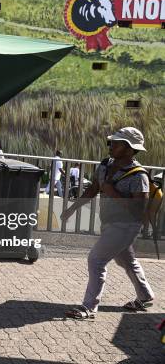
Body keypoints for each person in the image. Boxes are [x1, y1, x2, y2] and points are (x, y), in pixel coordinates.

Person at [61, 127, 154, 319]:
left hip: (126, 226)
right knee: (126, 260)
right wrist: (71, 209)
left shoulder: (139, 176)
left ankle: (89, 307)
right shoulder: (104, 165)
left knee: (96, 259)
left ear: (130, 149)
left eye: (117, 143)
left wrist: (113, 193)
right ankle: (145, 296)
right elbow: (93, 190)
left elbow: (139, 210)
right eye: (111, 142)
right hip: (109, 224)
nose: (111, 146)